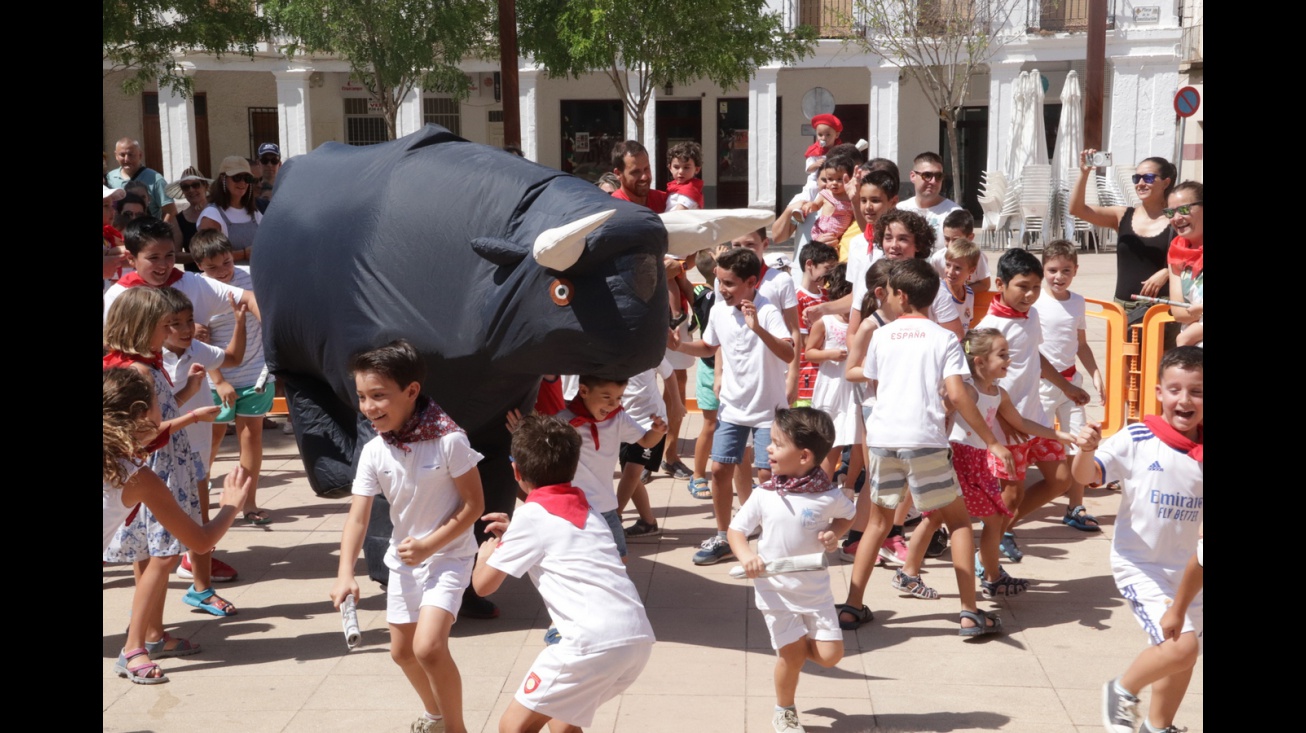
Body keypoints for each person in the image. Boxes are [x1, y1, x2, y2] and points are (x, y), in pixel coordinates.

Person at [835, 259, 1013, 635]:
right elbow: (957, 393)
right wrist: (992, 441)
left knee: (877, 525)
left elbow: (873, 381)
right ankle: (969, 612)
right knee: (959, 522)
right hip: (925, 441)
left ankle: (852, 606)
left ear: (900, 296)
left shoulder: (881, 335)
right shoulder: (944, 337)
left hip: (883, 439)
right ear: (934, 296)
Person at [330, 339, 485, 733]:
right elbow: (358, 518)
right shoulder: (374, 451)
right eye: (362, 397)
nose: (368, 407)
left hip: (449, 557)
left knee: (429, 648)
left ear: (411, 391)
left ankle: (456, 728)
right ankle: (436, 714)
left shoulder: (450, 439)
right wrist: (345, 572)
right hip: (404, 561)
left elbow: (474, 506)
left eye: (379, 396)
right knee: (402, 653)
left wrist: (431, 544)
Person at [472, 413, 655, 733]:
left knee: (513, 727)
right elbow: (558, 538)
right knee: (562, 723)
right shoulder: (591, 512)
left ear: (516, 470)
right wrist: (514, 536)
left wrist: (486, 554)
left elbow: (483, 586)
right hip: (635, 639)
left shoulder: (531, 517)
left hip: (587, 642)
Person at [891, 328, 1077, 602]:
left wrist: (1058, 434)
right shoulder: (964, 390)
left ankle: (913, 574)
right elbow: (935, 413)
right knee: (951, 518)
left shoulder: (998, 393)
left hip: (978, 462)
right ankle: (989, 578)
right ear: (979, 361)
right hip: (956, 459)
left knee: (953, 518)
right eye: (1002, 355)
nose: (1009, 360)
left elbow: (1021, 423)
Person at [1071, 347, 1203, 733]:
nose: (1185, 399)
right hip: (1140, 564)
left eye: (1196, 391)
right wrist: (1086, 449)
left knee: (1182, 655)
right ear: (1158, 392)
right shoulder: (1137, 438)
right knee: (1182, 646)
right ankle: (1122, 690)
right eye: (1175, 389)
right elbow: (1085, 477)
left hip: (1189, 570)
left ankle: (1158, 727)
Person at [104, 287, 224, 678]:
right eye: (163, 325)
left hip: (159, 468)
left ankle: (152, 633)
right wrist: (192, 418)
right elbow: (149, 431)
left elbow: (155, 414)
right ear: (143, 328)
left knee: (156, 554)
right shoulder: (136, 371)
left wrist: (186, 392)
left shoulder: (144, 364)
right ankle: (137, 643)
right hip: (157, 469)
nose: (170, 331)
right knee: (165, 554)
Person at [104, 368, 250, 684]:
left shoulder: (129, 465)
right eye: (161, 401)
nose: (166, 407)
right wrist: (231, 506)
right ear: (141, 414)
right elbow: (200, 541)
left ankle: (136, 649)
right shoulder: (139, 479)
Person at [727, 408, 855, 733]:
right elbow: (736, 531)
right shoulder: (765, 495)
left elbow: (848, 516)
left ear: (804, 456)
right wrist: (746, 557)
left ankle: (796, 653)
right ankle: (784, 710)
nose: (768, 449)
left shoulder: (828, 495)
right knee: (792, 655)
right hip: (775, 591)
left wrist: (833, 534)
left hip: (815, 591)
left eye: (776, 443)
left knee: (830, 656)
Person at [670, 247, 795, 565]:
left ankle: (773, 539)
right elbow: (708, 346)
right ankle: (725, 536)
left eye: (729, 283)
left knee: (768, 476)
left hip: (769, 412)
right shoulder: (718, 310)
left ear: (751, 281)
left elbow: (788, 353)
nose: (721, 289)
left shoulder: (766, 310)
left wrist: (758, 329)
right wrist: (679, 345)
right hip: (732, 410)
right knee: (718, 470)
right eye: (719, 281)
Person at [974, 249, 1085, 566]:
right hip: (1007, 428)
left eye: (1035, 287)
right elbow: (972, 376)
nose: (1030, 294)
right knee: (1011, 494)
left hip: (1035, 419)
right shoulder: (987, 328)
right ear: (1000, 284)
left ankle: (998, 533)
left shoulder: (1031, 316)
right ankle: (989, 553)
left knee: (1061, 479)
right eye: (1023, 286)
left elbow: (1034, 358)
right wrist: (1000, 418)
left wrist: (1067, 387)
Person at [158, 286, 248, 612]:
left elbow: (234, 358)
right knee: (151, 534)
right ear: (155, 326)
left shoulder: (197, 348)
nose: (185, 329)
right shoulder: (148, 360)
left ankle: (202, 589)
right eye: (174, 323)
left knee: (199, 518)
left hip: (194, 448)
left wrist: (239, 322)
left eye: (188, 320)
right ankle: (146, 618)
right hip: (157, 454)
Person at [193, 231, 274, 524]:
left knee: (252, 437)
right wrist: (219, 380)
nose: (223, 271)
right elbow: (199, 342)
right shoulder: (198, 289)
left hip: (255, 373)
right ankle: (199, 495)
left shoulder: (251, 277)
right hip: (216, 377)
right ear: (199, 265)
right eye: (213, 267)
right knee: (211, 439)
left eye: (226, 262)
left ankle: (248, 503)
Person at [1030, 240, 1105, 532]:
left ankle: (1075, 506)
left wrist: (1096, 373)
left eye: (1066, 270)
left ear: (1075, 271)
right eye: (1052, 270)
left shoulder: (1077, 301)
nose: (1058, 276)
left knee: (1079, 445)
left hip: (1072, 385)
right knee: (1034, 447)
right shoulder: (1035, 301)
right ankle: (1015, 505)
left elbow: (1081, 344)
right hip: (1041, 387)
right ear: (1043, 269)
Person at [1069, 150, 1175, 324]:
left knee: (1163, 353)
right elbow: (1077, 209)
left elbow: (1196, 257)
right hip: (1122, 309)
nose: (1140, 183)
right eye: (1136, 178)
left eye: (1148, 178)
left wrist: (1167, 272)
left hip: (1160, 312)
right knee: (1120, 352)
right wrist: (1084, 173)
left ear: (1165, 183)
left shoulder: (1177, 219)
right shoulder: (1122, 215)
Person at [730, 229, 803, 405]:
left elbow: (794, 330)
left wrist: (793, 376)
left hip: (772, 371)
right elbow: (721, 328)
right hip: (737, 371)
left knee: (774, 429)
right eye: (736, 245)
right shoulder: (724, 281)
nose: (743, 250)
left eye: (750, 245)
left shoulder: (780, 280)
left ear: (765, 244)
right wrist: (719, 373)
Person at [806, 264, 860, 482]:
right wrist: (830, 354)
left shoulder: (864, 322)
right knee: (832, 439)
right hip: (832, 387)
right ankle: (823, 483)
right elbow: (809, 352)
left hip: (855, 388)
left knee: (857, 438)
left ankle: (850, 482)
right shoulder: (825, 322)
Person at [616, 359, 674, 540]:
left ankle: (613, 518)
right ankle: (648, 522)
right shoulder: (608, 349)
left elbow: (670, 374)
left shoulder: (649, 350)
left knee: (632, 473)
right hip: (624, 421)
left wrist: (678, 404)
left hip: (653, 423)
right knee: (630, 475)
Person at [687, 246, 727, 500]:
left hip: (731, 367)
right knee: (710, 425)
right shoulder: (704, 295)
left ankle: (731, 473)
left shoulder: (708, 292)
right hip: (711, 367)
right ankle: (698, 474)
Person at [794, 242, 839, 407]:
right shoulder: (796, 298)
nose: (830, 275)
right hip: (807, 376)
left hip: (829, 373)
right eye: (827, 268)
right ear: (809, 265)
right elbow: (804, 343)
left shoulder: (829, 296)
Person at [197, 156, 264, 263]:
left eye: (247, 178)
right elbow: (208, 256)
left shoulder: (255, 213)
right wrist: (244, 253)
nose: (242, 183)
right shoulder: (212, 215)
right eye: (237, 177)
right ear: (223, 178)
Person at [897, 152, 963, 250]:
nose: (933, 181)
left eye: (938, 176)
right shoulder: (900, 210)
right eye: (927, 175)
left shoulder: (954, 213)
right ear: (913, 176)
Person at [1165, 182, 1203, 347]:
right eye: (1170, 212)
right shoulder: (1176, 251)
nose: (1177, 218)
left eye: (1184, 209)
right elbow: (1179, 312)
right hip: (1192, 350)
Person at [108, 137, 178, 224]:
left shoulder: (155, 179)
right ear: (116, 156)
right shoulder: (110, 178)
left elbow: (170, 211)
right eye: (122, 155)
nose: (126, 159)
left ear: (140, 155)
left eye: (131, 154)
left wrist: (158, 232)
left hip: (146, 234)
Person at [928, 209, 991, 293]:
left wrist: (961, 293)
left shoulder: (978, 257)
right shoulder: (937, 258)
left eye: (956, 240)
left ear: (970, 237)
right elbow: (932, 286)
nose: (950, 245)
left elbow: (985, 285)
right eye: (947, 239)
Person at [164, 166, 213, 271]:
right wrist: (201, 256)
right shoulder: (178, 220)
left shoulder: (218, 210)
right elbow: (175, 254)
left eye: (195, 185)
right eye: (186, 187)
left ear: (205, 186)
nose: (191, 190)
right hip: (195, 277)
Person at [801, 158, 856, 244]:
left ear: (849, 178)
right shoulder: (826, 194)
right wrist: (810, 205)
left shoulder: (851, 196)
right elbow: (816, 205)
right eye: (830, 179)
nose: (834, 183)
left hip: (843, 234)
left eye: (839, 179)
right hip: (824, 232)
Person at [609, 140, 667, 212]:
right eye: (636, 172)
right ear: (618, 174)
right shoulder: (613, 210)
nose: (644, 177)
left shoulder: (665, 201)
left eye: (646, 169)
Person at [939, 237, 982, 332]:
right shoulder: (938, 291)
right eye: (948, 265)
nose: (950, 272)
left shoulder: (970, 294)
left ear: (971, 270)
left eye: (957, 268)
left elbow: (967, 324)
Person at [802, 113, 843, 199]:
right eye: (820, 135)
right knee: (811, 188)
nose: (823, 138)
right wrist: (816, 164)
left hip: (834, 182)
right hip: (815, 181)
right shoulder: (813, 152)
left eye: (828, 135)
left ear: (837, 135)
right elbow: (808, 169)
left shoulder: (840, 151)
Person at [665, 141, 704, 210]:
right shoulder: (673, 187)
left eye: (686, 167)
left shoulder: (690, 190)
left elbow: (679, 212)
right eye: (676, 167)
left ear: (697, 169)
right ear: (670, 168)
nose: (681, 172)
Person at [256, 142, 281, 211]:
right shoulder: (252, 188)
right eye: (265, 160)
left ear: (279, 164)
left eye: (274, 161)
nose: (269, 165)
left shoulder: (285, 188)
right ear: (258, 163)